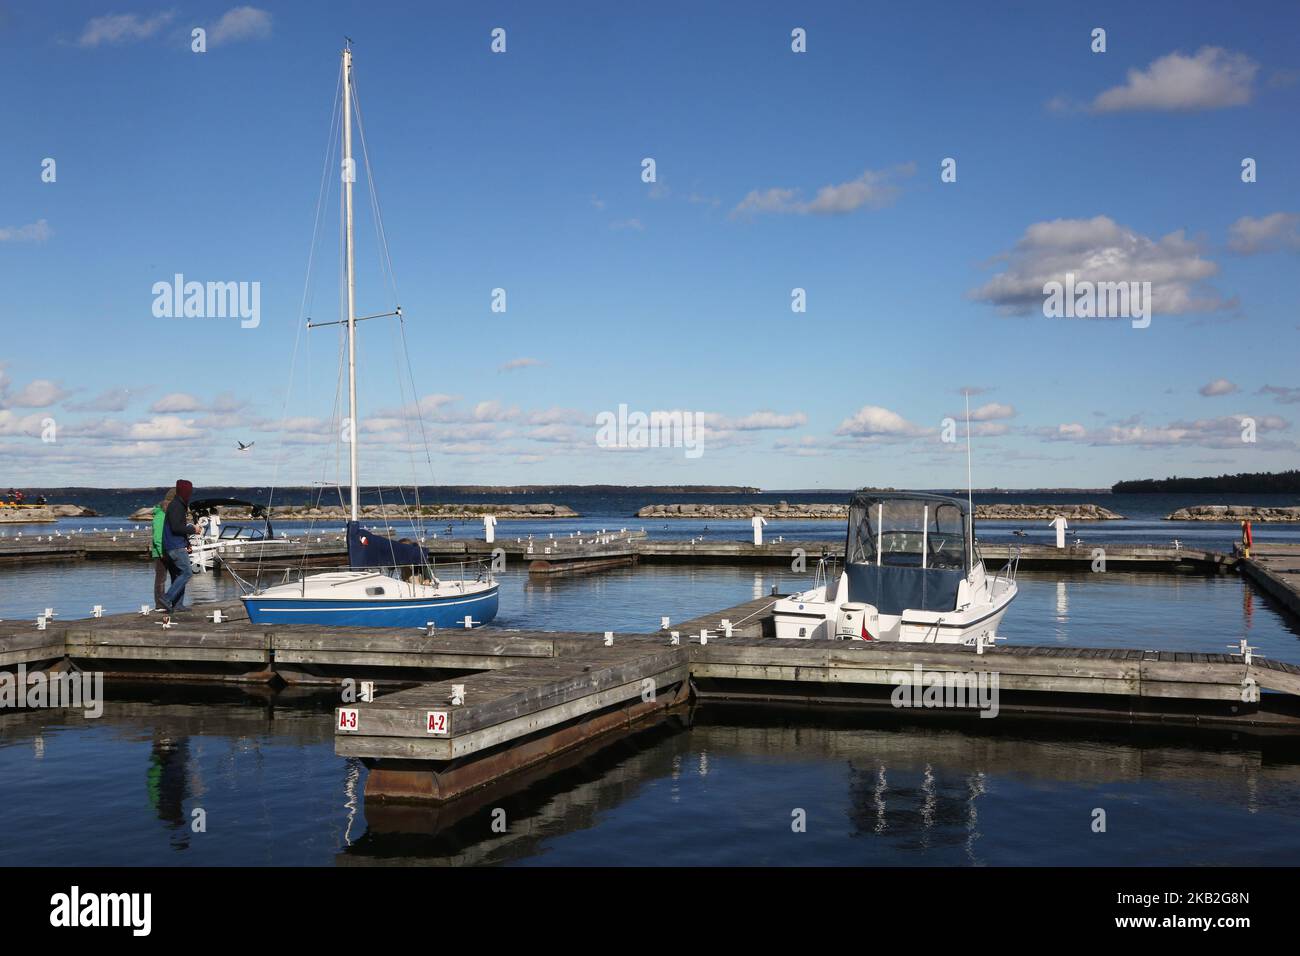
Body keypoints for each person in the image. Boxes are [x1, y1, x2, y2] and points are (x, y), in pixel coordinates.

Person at [160, 479, 199, 612]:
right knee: (187, 573)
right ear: (184, 492)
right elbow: (176, 528)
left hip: (174, 545)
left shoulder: (178, 505)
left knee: (178, 575)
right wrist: (193, 530)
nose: (190, 493)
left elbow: (177, 527)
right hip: (175, 546)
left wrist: (187, 543)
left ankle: (178, 604)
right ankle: (167, 598)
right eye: (189, 491)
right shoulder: (176, 506)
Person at [150, 488, 178, 609]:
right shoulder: (160, 515)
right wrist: (161, 551)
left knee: (175, 576)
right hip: (161, 552)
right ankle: (160, 604)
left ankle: (173, 601)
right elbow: (157, 536)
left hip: (170, 550)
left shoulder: (168, 515)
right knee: (161, 579)